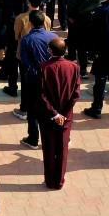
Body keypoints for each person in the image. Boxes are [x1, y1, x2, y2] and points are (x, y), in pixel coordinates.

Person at [34, 37, 82, 187]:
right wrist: (64, 114)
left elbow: (41, 94)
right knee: (62, 148)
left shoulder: (43, 67)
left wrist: (54, 114)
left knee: (48, 148)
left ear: (50, 51)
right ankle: (59, 180)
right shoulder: (74, 67)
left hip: (48, 116)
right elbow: (76, 94)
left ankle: (49, 180)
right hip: (66, 116)